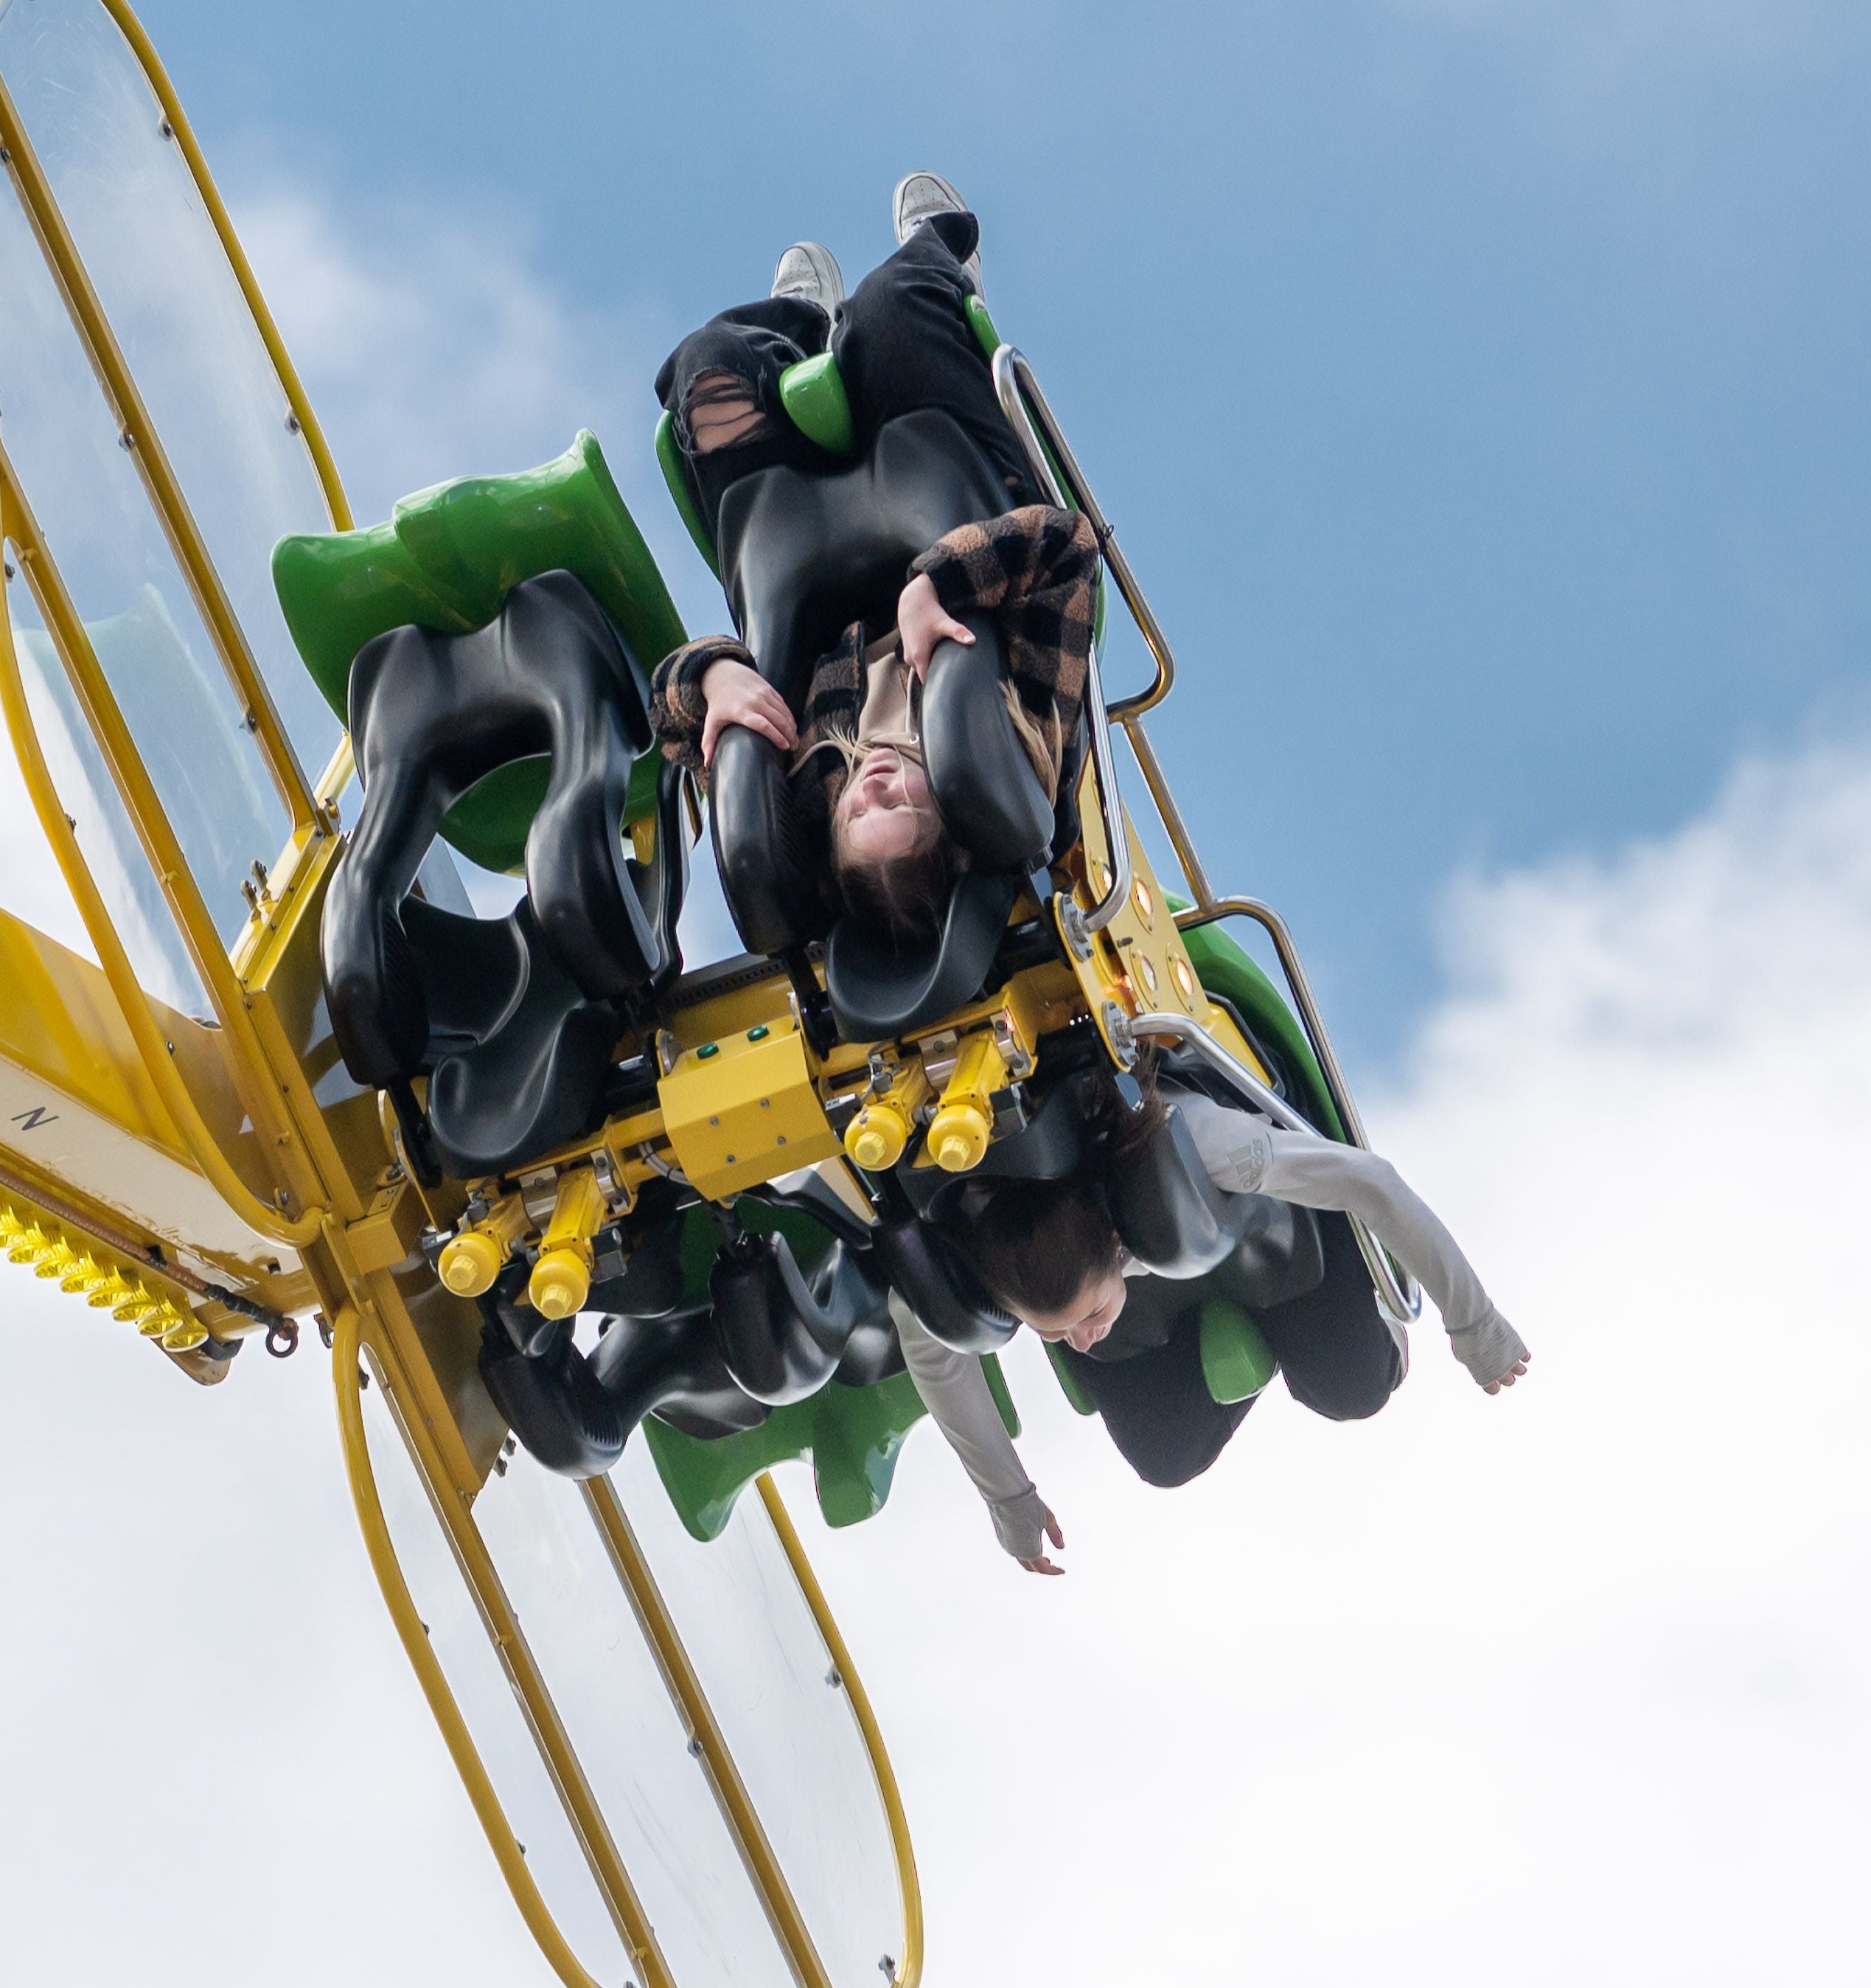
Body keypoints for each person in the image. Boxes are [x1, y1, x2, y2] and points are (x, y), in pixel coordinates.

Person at [647, 175, 1095, 943]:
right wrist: (938, 584)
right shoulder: (1013, 726)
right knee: (887, 309)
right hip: (943, 485)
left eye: (860, 816)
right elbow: (1067, 545)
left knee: (706, 370)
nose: (874, 789)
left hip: (802, 544)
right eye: (904, 808)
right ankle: (946, 249)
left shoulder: (804, 776)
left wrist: (713, 680)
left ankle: (795, 322)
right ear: (953, 815)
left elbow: (663, 712)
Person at [908, 1077, 1533, 1575]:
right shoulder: (971, 1261)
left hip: (1272, 1248)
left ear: (1117, 1238)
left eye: (1089, 1314)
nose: (1080, 1338)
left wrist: (1474, 1323)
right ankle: (1203, 1334)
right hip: (1147, 1313)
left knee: (1356, 1387)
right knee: (1165, 1458)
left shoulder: (1209, 1147)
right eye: (1053, 1333)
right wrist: (1011, 1500)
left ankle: (1307, 1329)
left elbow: (1370, 1183)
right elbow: (934, 1354)